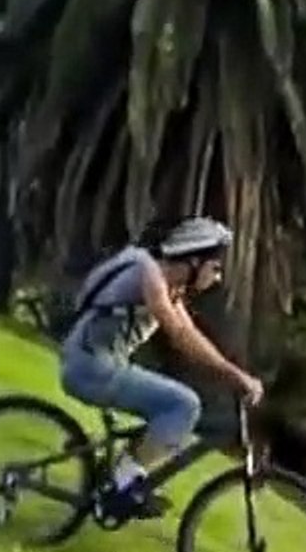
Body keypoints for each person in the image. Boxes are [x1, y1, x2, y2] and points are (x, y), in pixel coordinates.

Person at [59, 216, 264, 518]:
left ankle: (119, 478)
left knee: (168, 408)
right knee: (183, 404)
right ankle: (121, 485)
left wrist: (231, 373)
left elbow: (191, 334)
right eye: (215, 267)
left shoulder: (165, 284)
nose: (218, 277)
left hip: (93, 361)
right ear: (194, 260)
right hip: (91, 367)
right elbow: (179, 336)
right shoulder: (150, 273)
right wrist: (235, 377)